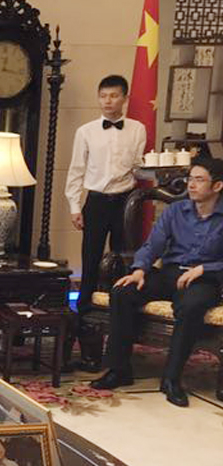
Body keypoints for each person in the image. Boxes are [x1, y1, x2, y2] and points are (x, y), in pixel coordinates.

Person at [91, 157, 223, 407]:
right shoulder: (176, 211)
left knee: (191, 306)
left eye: (199, 180)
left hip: (206, 279)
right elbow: (153, 245)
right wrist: (140, 269)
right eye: (190, 179)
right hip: (171, 273)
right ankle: (119, 370)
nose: (191, 185)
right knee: (123, 291)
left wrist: (205, 268)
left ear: (217, 186)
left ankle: (171, 379)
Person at [65, 75, 146, 369]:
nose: (108, 101)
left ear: (125, 98)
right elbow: (76, 170)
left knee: (124, 259)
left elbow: (139, 167)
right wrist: (75, 206)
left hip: (126, 200)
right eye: (103, 96)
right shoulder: (86, 131)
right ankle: (85, 319)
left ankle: (120, 316)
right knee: (91, 259)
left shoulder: (137, 128)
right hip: (97, 201)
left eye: (113, 96)